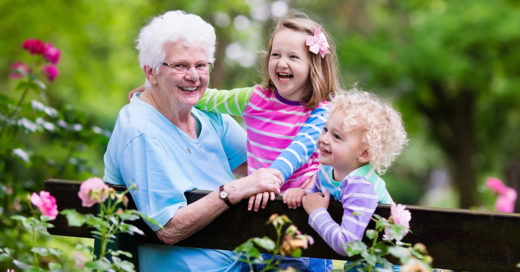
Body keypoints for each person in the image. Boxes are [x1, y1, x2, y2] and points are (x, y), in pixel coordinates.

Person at [103, 10, 283, 271]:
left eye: (200, 65)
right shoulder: (140, 131)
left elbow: (269, 167)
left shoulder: (208, 118)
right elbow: (169, 228)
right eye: (180, 66)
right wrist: (230, 190)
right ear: (150, 72)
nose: (194, 76)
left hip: (240, 263)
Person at [196, 11, 340, 213]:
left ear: (313, 67)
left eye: (293, 57)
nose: (282, 62)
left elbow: (298, 150)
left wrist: (270, 178)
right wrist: (166, 90)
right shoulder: (255, 99)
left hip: (305, 199)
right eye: (276, 54)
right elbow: (209, 99)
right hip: (261, 198)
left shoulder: (322, 111)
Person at [284, 89, 408, 256]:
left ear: (364, 153)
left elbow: (348, 246)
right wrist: (303, 193)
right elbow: (316, 198)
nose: (324, 139)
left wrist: (317, 213)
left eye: (336, 136)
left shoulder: (361, 186)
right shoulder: (326, 172)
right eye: (325, 130)